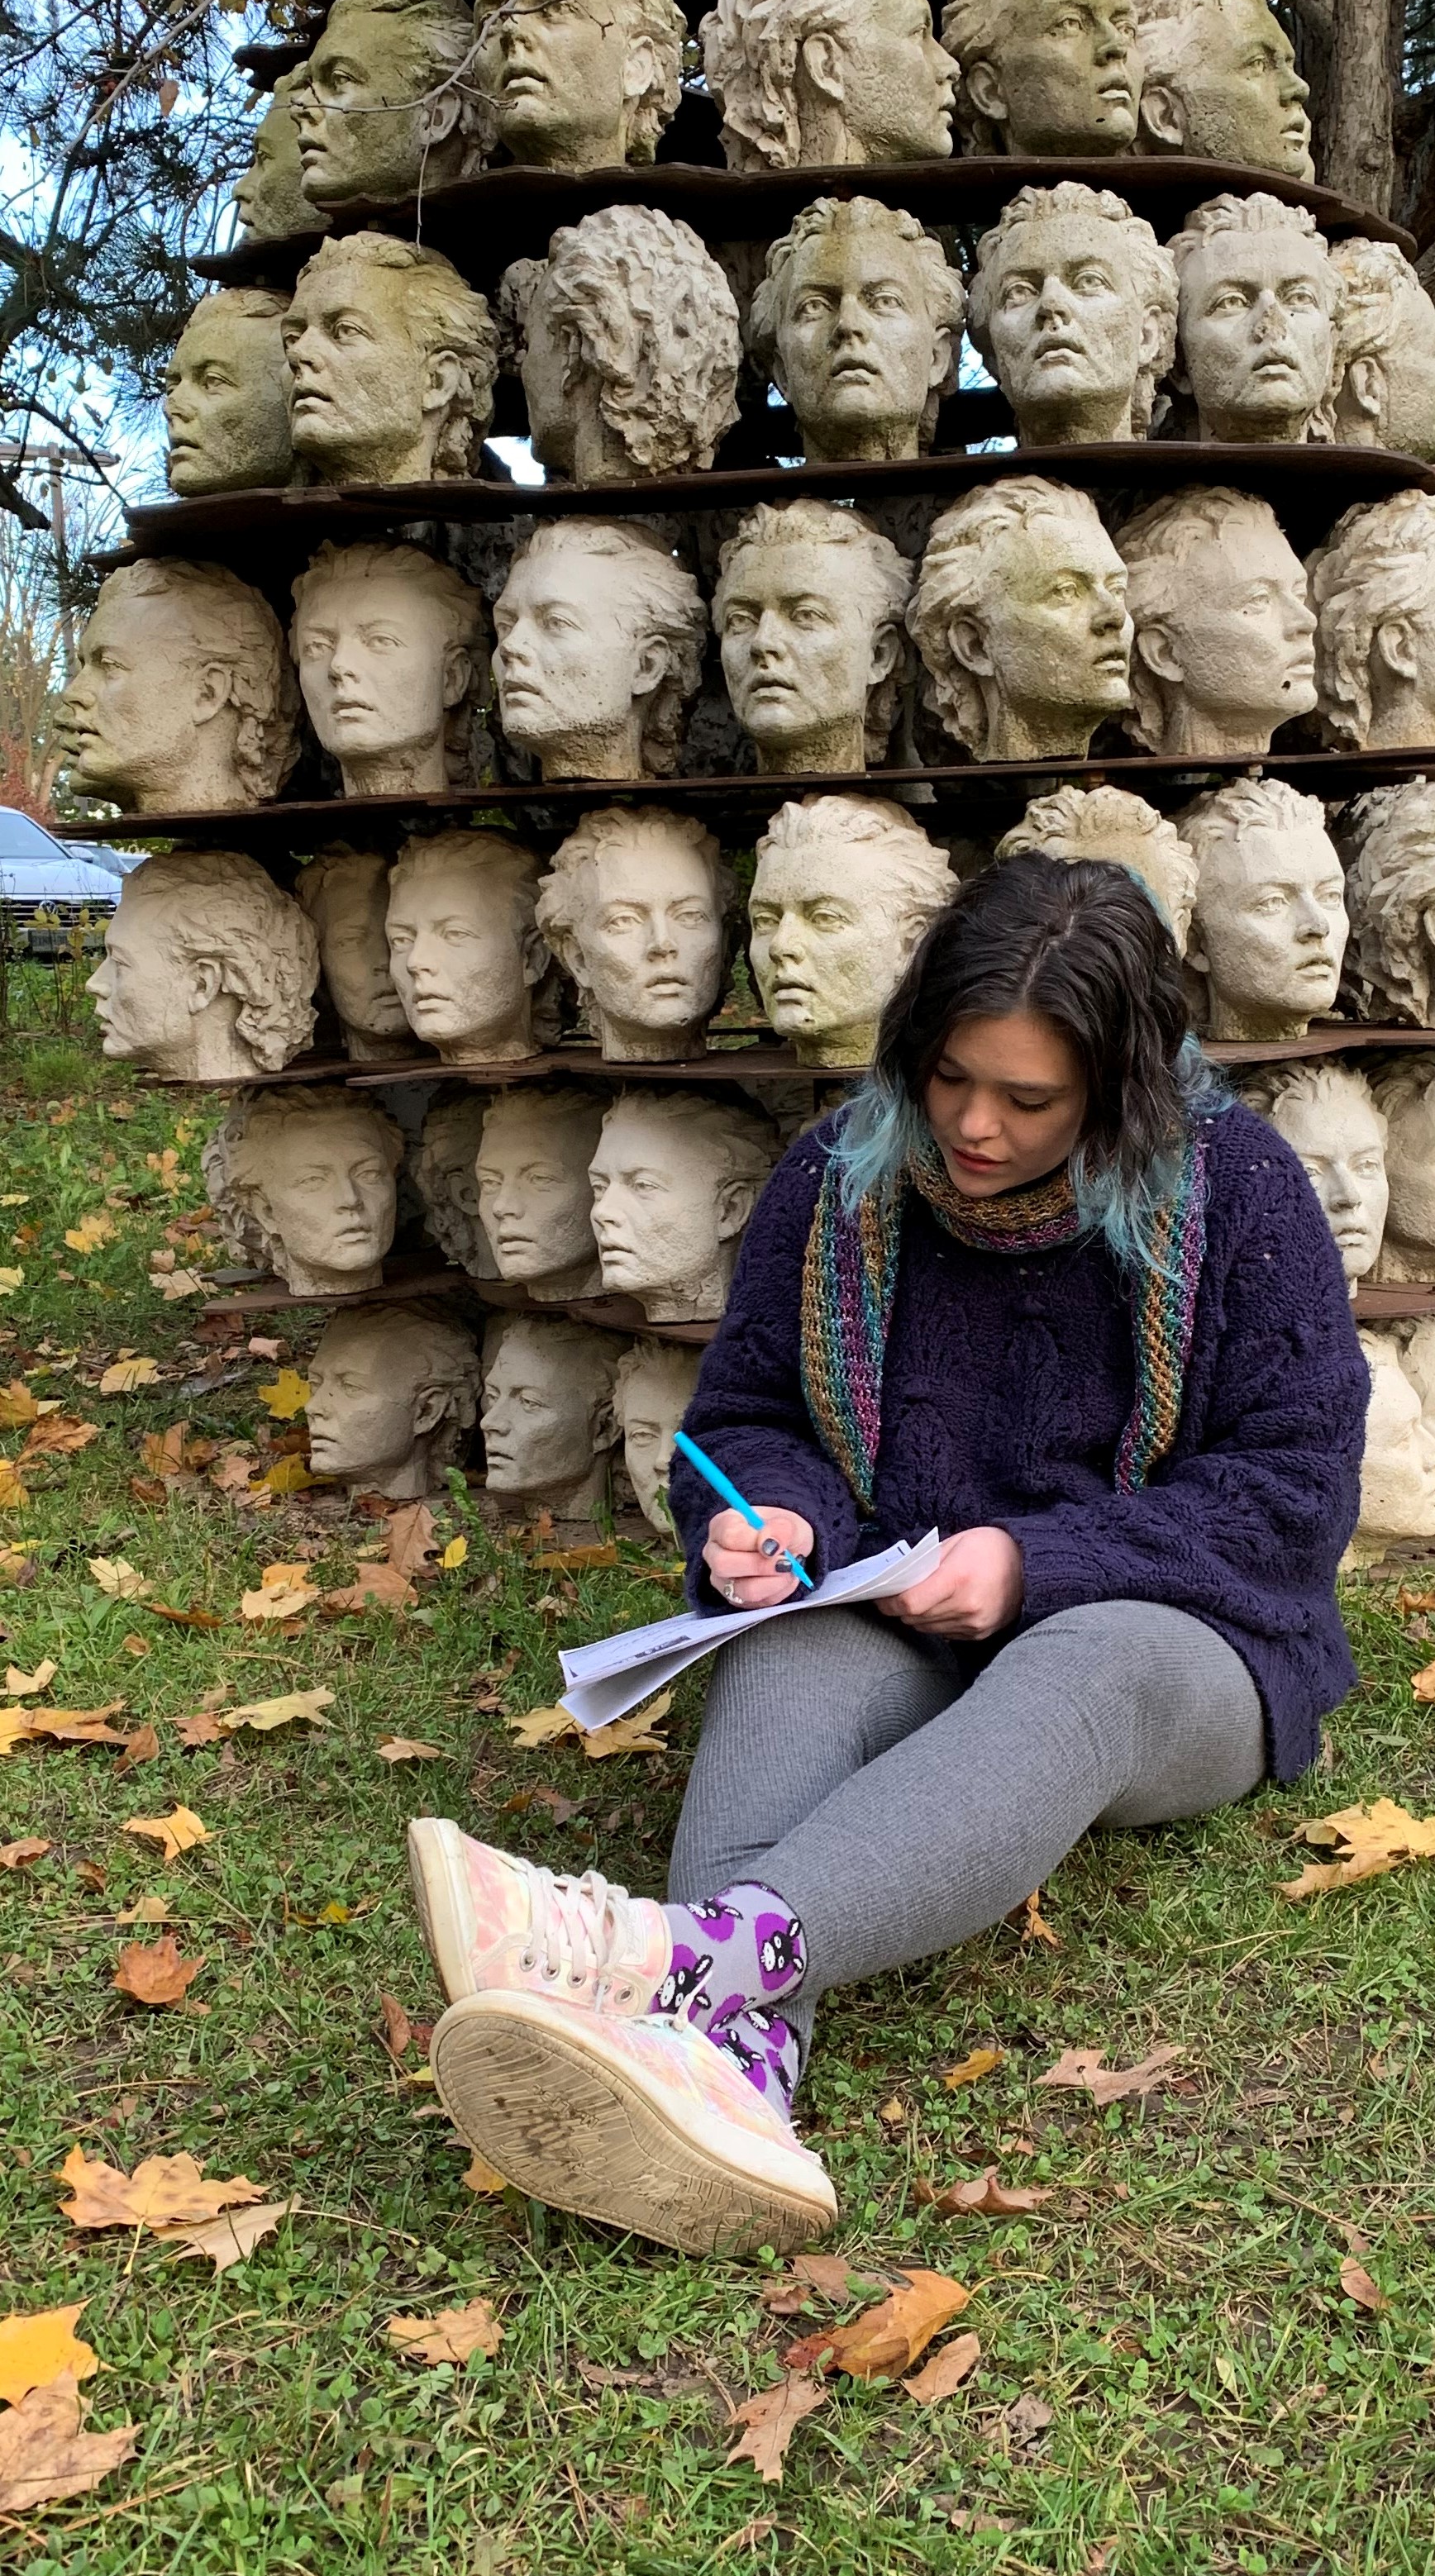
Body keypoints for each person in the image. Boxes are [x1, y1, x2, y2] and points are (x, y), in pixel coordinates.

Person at [409, 855, 1367, 2254]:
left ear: (1123, 1086)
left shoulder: (1241, 1193)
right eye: (950, 1078)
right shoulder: (836, 1179)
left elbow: (1290, 1493)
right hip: (890, 1604)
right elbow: (749, 1416)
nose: (974, 1126)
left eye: (1031, 1100)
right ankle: (735, 2077)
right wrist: (777, 1516)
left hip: (1176, 1647)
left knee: (1086, 1656)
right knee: (788, 1648)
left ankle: (672, 1956)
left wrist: (1036, 1566)